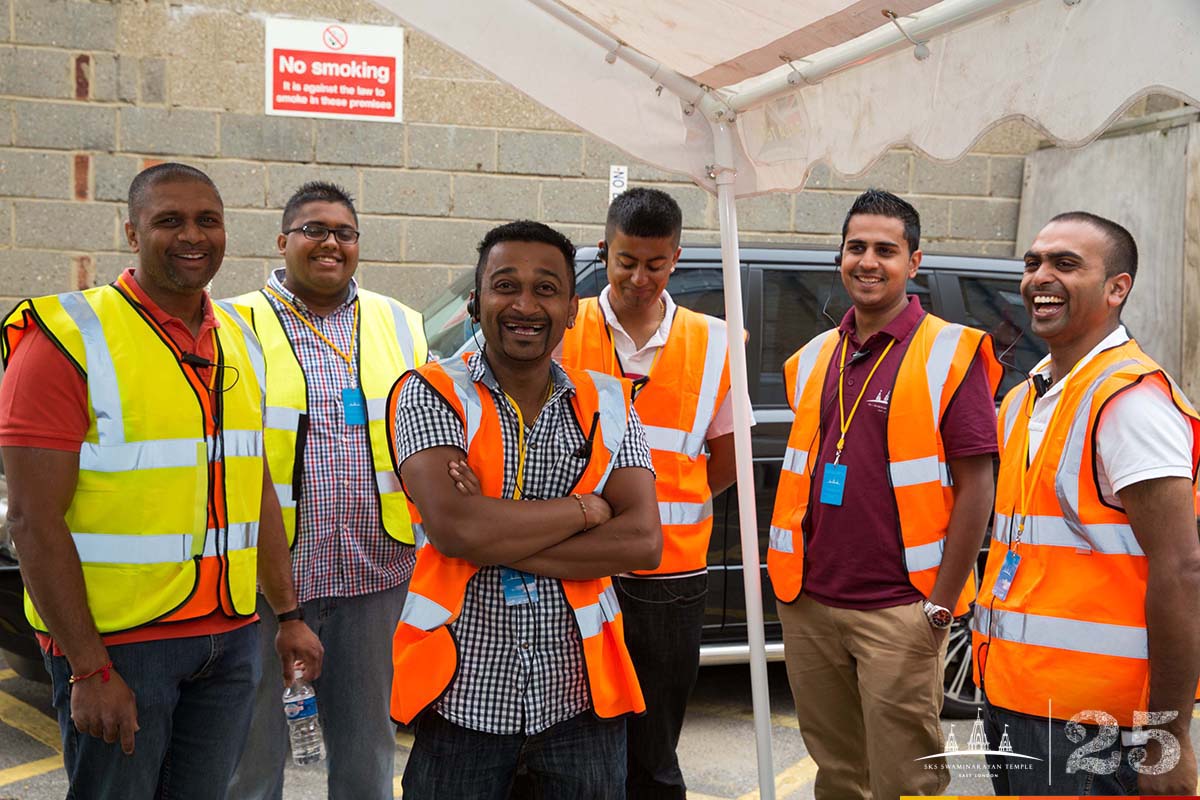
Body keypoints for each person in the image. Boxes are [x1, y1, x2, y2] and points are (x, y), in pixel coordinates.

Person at [0, 163, 322, 800]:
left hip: (229, 637)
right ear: (131, 232)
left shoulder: (241, 341)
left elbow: (253, 487)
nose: (192, 236)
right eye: (168, 220)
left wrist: (288, 615)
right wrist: (89, 666)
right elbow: (33, 521)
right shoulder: (66, 337)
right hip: (122, 646)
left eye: (208, 220)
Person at [388, 220, 661, 798]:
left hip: (580, 701)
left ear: (570, 310)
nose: (524, 304)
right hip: (463, 701)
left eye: (546, 288)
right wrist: (588, 510)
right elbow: (457, 529)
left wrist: (497, 534)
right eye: (505, 285)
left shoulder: (606, 401)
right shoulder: (429, 391)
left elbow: (642, 541)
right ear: (475, 302)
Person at [767, 189, 1001, 799]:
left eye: (885, 250)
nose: (868, 261)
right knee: (840, 775)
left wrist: (941, 607)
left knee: (906, 781)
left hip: (902, 608)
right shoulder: (818, 356)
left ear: (913, 262)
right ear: (840, 256)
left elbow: (978, 485)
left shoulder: (951, 352)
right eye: (856, 248)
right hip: (811, 601)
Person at [972, 212, 1200, 796]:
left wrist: (1168, 739)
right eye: (1033, 263)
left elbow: (1182, 570)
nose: (1040, 277)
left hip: (1096, 722)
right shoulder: (1027, 396)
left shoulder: (1130, 401)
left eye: (1065, 264)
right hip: (1018, 700)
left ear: (1116, 288)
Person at [226, 181, 427, 800]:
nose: (330, 243)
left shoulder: (400, 321)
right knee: (252, 756)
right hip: (267, 579)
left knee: (368, 752)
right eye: (314, 230)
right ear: (283, 240)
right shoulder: (233, 322)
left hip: (375, 574)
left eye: (344, 232)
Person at [558, 187, 737, 799]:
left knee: (655, 748)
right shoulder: (562, 322)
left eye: (655, 264)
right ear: (604, 252)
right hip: (578, 565)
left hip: (670, 574)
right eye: (626, 261)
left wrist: (661, 507)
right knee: (572, 736)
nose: (640, 277)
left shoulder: (716, 341)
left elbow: (727, 459)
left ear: (677, 258)